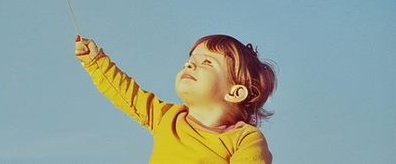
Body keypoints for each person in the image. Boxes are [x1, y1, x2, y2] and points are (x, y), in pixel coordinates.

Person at [75, 34, 277, 163]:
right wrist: (96, 62)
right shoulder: (167, 117)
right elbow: (127, 93)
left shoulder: (244, 138)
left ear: (235, 92)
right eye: (190, 61)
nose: (188, 65)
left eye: (207, 62)